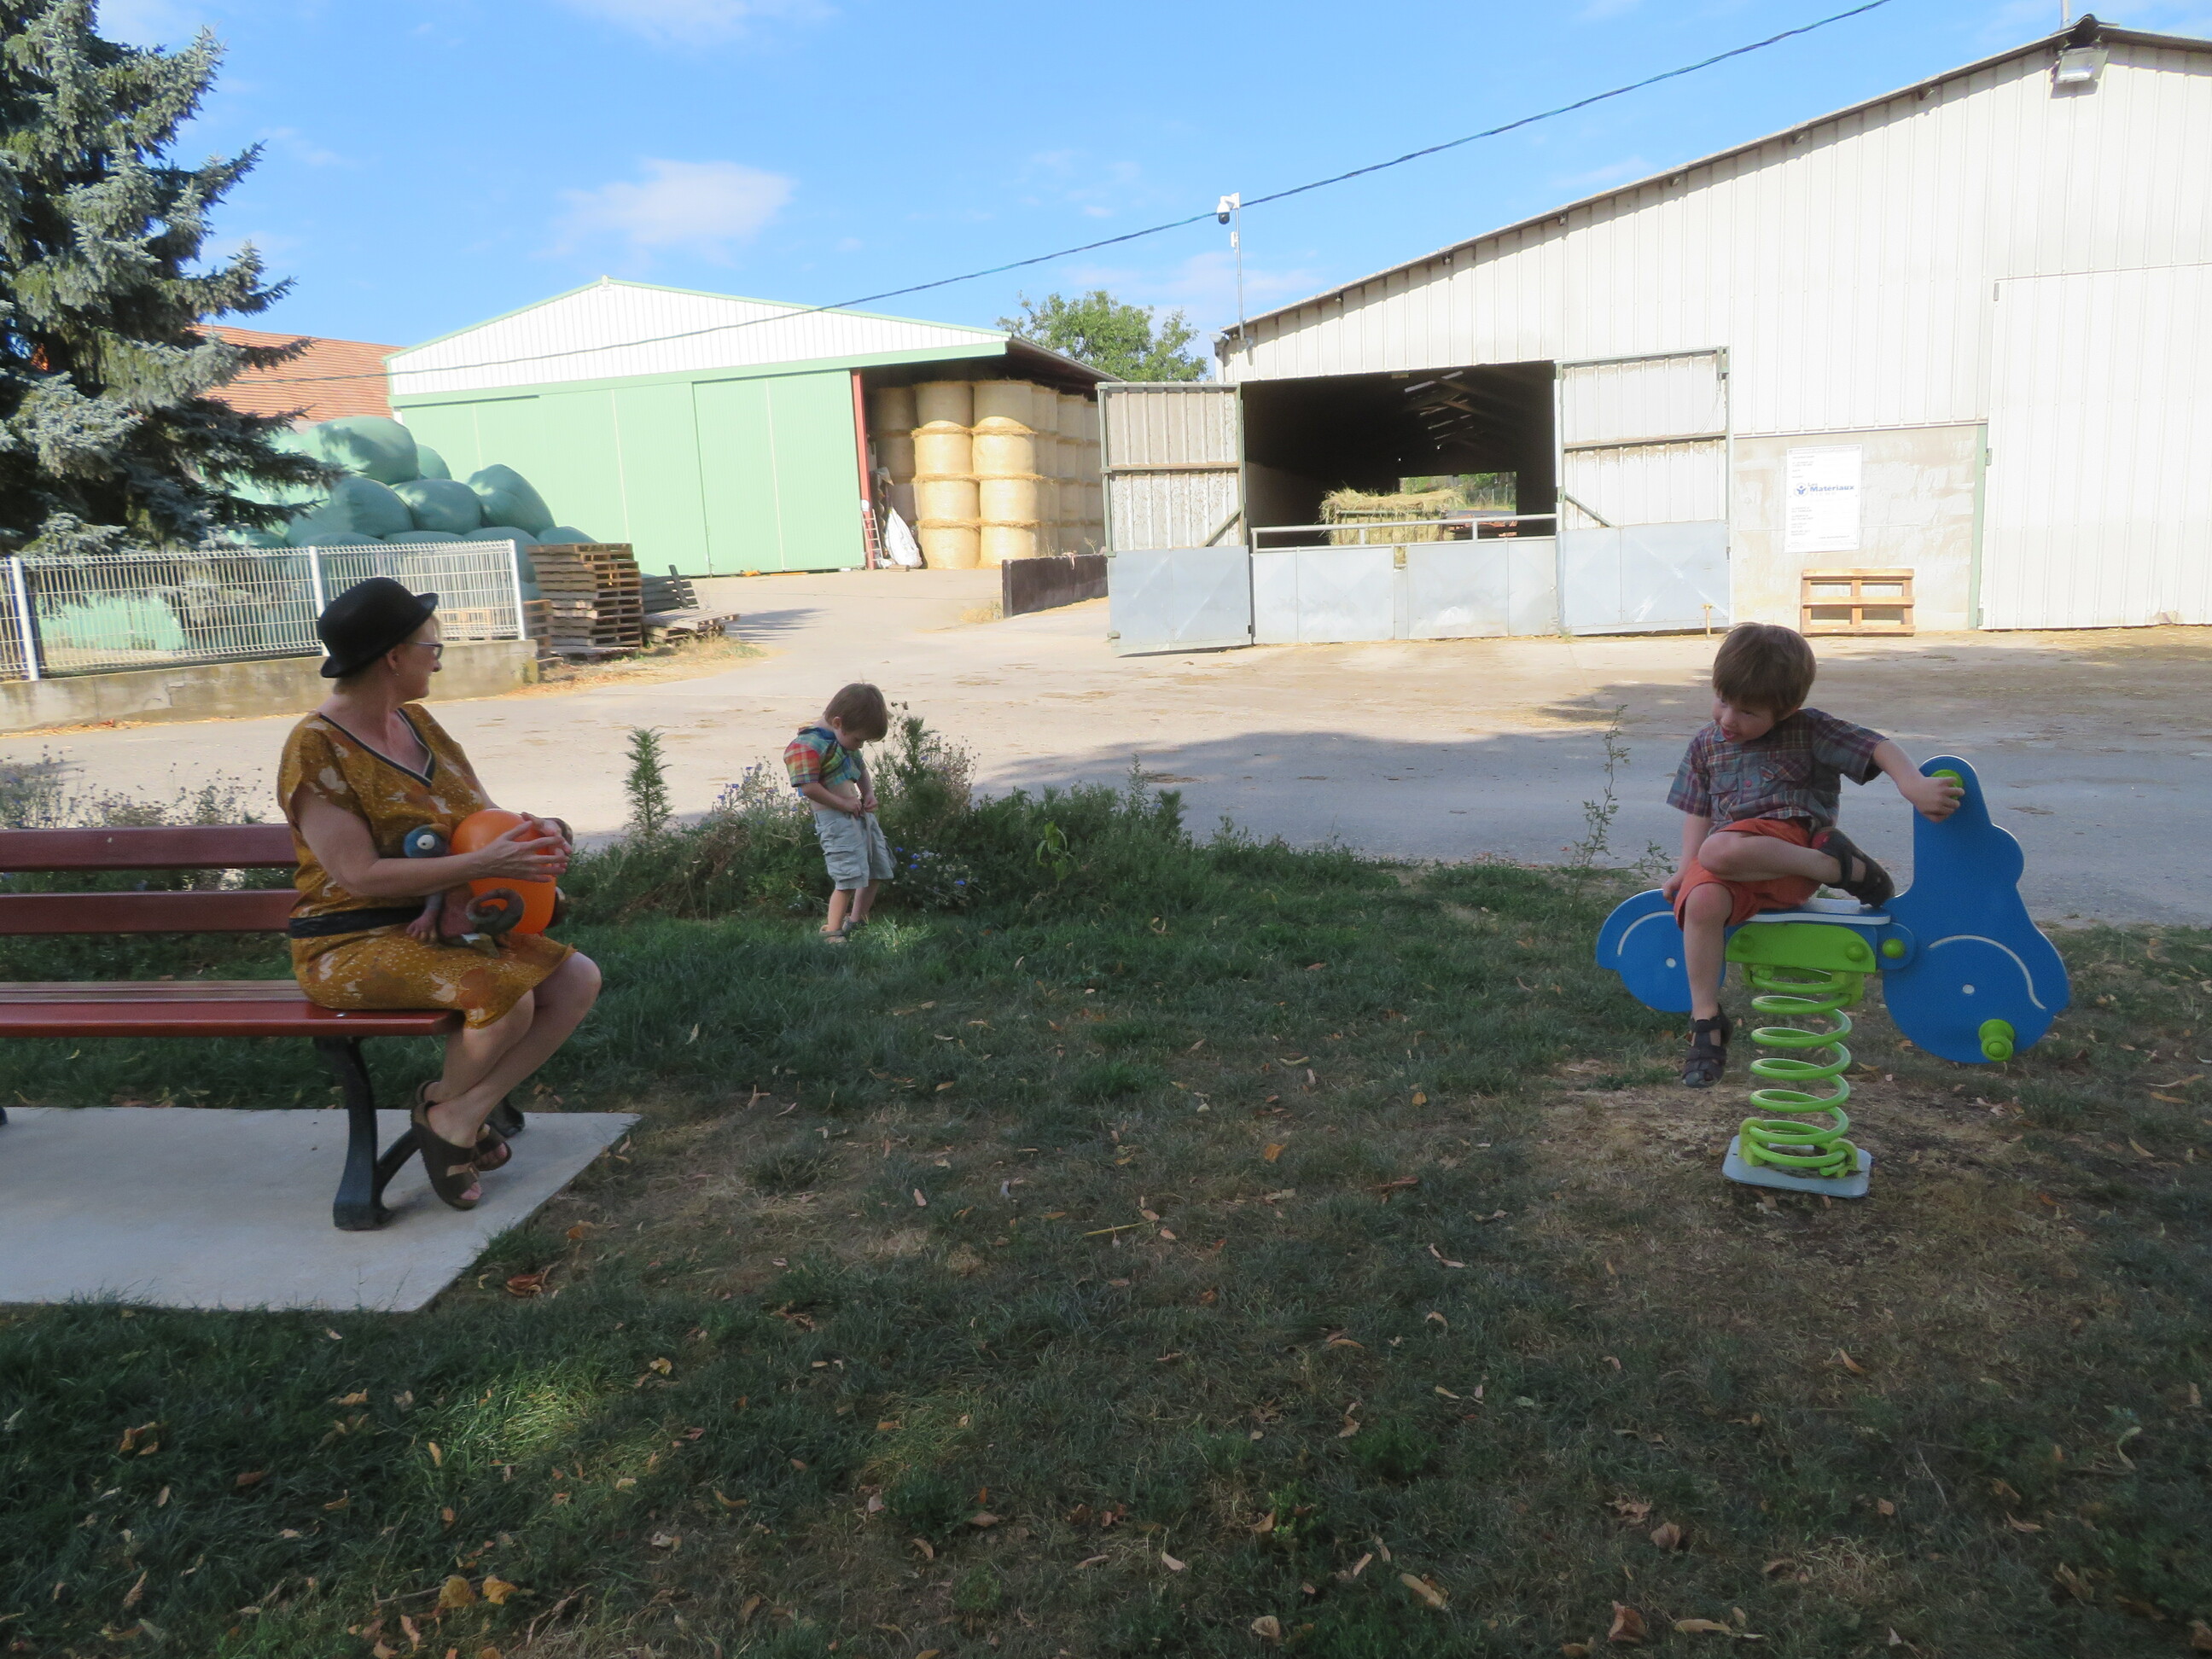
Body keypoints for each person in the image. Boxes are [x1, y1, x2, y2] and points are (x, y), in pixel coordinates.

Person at [279, 578, 603, 1209]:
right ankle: (454, 1120)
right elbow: (357, 876)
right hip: (349, 943)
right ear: (393, 657)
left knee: (576, 980)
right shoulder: (315, 747)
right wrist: (484, 862)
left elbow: (481, 817)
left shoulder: (419, 723)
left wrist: (537, 834)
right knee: (504, 998)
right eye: (432, 646)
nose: (438, 659)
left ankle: (454, 1111)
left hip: (444, 925)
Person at [1662, 622, 1959, 1089]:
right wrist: (1685, 870)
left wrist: (1913, 785)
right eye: (1722, 700)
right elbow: (1698, 811)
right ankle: (1707, 1022)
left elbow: (1876, 747)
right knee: (1701, 901)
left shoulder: (1809, 729)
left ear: (1786, 709)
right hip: (1733, 863)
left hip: (1791, 853)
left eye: (1747, 711)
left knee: (1716, 850)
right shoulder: (1706, 744)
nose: (1728, 719)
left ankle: (1830, 865)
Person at [784, 682, 893, 941]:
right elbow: (809, 787)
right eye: (858, 739)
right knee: (847, 876)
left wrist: (868, 793)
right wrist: (842, 804)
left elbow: (861, 769)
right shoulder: (807, 745)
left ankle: (857, 921)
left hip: (860, 815)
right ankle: (832, 932)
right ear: (837, 722)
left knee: (876, 868)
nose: (860, 746)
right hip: (834, 820)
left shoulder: (843, 741)